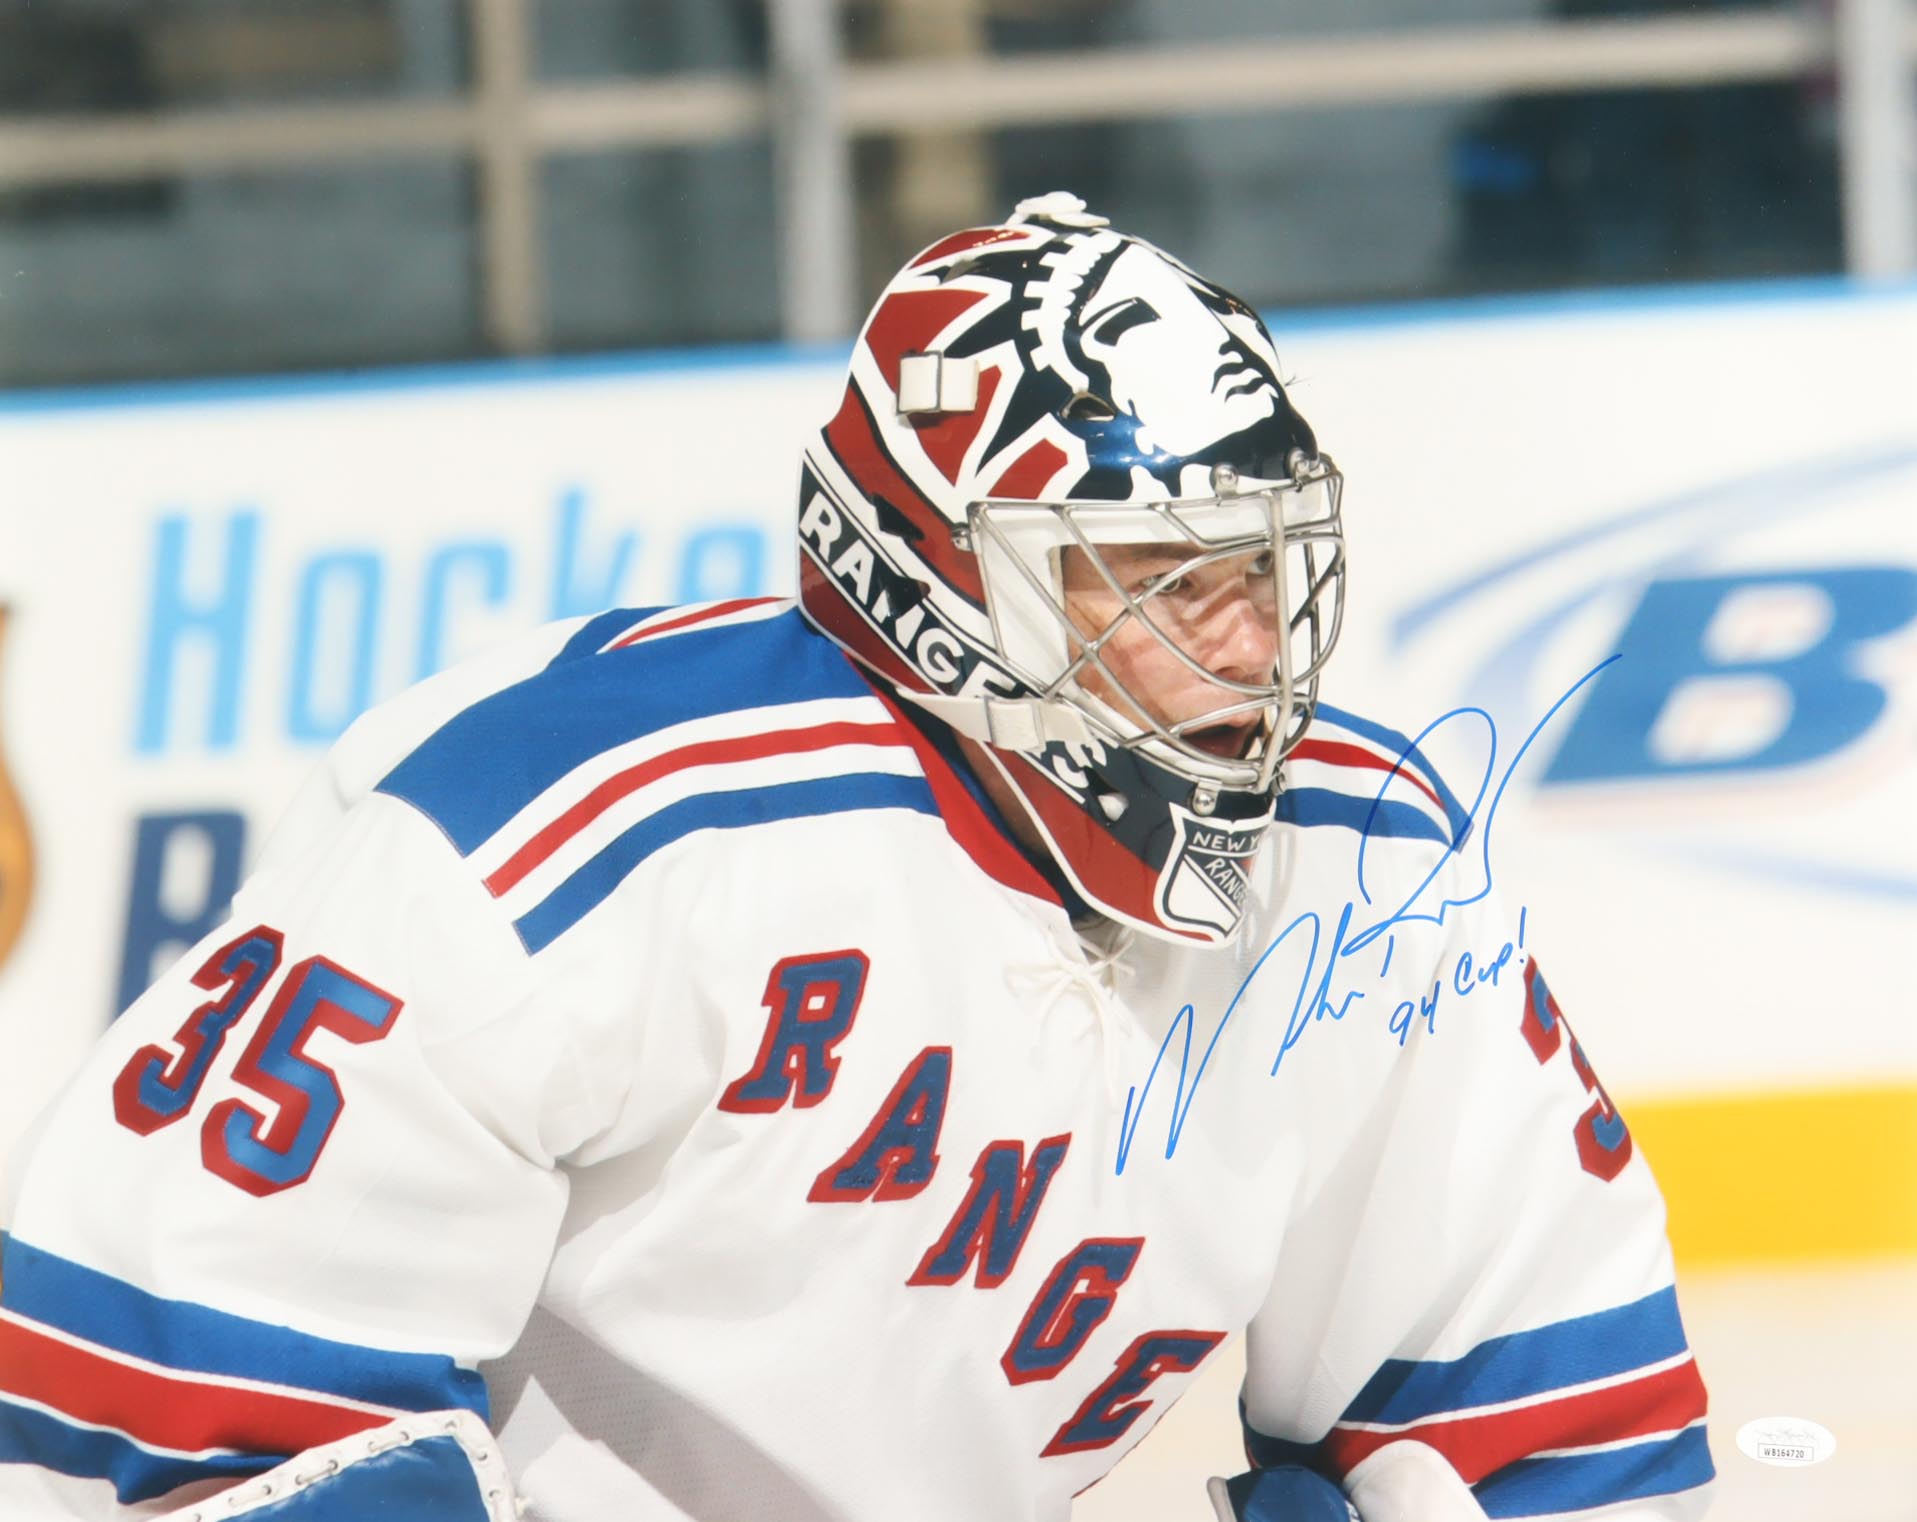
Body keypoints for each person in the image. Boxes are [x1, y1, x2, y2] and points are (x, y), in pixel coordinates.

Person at [0, 193, 1712, 1522]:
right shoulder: (560, 832)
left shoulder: (1369, 869)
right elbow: (138, 1411)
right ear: (935, 583)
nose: (1251, 649)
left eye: (1263, 570)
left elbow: (1544, 1431)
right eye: (1157, 578)